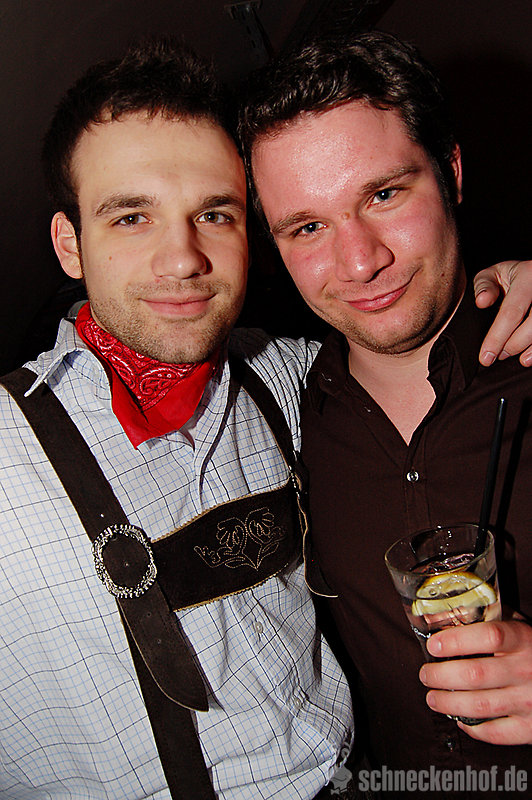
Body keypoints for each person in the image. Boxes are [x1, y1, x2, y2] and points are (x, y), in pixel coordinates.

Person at [0, 39, 357, 800]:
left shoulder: (284, 376)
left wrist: (500, 292)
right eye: (132, 217)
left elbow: (406, 343)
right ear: (70, 244)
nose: (184, 259)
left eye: (214, 214)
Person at [239, 30, 532, 797]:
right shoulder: (279, 417)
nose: (361, 260)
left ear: (451, 173)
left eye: (384, 195)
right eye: (308, 227)